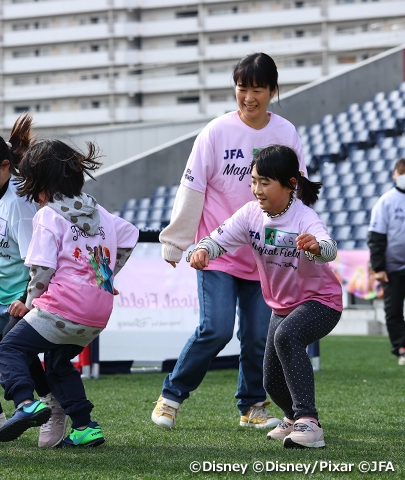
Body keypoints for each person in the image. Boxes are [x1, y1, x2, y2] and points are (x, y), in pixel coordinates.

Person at [153, 52, 306, 431]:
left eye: (258, 89)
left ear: (273, 90)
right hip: (216, 250)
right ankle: (171, 396)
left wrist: (301, 240)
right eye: (242, 88)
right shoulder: (216, 132)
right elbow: (192, 188)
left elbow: (296, 191)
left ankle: (252, 405)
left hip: (265, 256)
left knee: (257, 337)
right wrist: (176, 244)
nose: (249, 97)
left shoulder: (286, 133)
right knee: (216, 329)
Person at [188, 145, 341, 448]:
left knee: (287, 336)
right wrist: (203, 250)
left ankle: (309, 423)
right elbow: (219, 238)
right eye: (254, 181)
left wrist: (316, 246)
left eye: (265, 182)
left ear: (290, 184)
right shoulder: (249, 215)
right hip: (281, 306)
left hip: (321, 302)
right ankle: (292, 418)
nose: (256, 189)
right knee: (270, 380)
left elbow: (330, 246)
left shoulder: (304, 216)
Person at [0, 139, 139, 448]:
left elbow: (41, 270)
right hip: (98, 311)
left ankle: (25, 404)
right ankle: (85, 427)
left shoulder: (47, 215)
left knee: (8, 350)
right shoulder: (99, 210)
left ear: (38, 182)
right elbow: (129, 237)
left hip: (63, 308)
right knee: (58, 365)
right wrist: (104, 276)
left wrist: (28, 304)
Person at [0, 113, 66, 448]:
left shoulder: (19, 201)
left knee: (14, 350)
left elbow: (35, 256)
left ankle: (52, 404)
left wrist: (25, 299)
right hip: (0, 292)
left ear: (5, 166)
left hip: (23, 293)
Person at [368, 158, 405, 365]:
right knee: (393, 312)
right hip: (391, 268)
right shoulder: (386, 201)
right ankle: (402, 348)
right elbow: (376, 237)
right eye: (402, 172)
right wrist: (379, 267)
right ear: (394, 175)